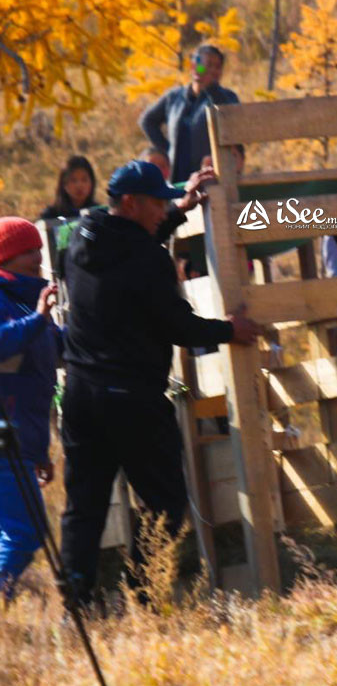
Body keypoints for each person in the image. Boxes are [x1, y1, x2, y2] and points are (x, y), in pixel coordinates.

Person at [59, 161, 261, 604]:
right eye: (155, 204)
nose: (160, 211)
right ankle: (143, 595)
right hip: (132, 399)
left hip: (80, 394)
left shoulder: (80, 237)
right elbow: (178, 327)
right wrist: (229, 330)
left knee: (85, 506)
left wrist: (177, 211)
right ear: (129, 203)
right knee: (166, 505)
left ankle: (75, 599)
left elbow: (127, 247)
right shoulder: (149, 258)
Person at [0, 219, 61, 598]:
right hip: (3, 440)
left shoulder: (27, 302)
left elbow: (53, 352)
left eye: (39, 248)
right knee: (25, 531)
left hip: (21, 442)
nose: (37, 257)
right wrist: (37, 320)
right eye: (27, 250)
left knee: (17, 530)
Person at [139, 43, 239, 184]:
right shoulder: (174, 97)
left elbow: (231, 121)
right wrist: (168, 150)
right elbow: (147, 121)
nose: (212, 71)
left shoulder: (228, 97)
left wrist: (212, 89)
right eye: (207, 65)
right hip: (177, 180)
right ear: (194, 67)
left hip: (210, 179)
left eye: (217, 67)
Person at [40, 155, 97, 220]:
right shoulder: (50, 215)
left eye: (84, 180)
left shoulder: (97, 213)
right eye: (73, 180)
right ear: (64, 184)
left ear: (92, 182)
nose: (79, 185)